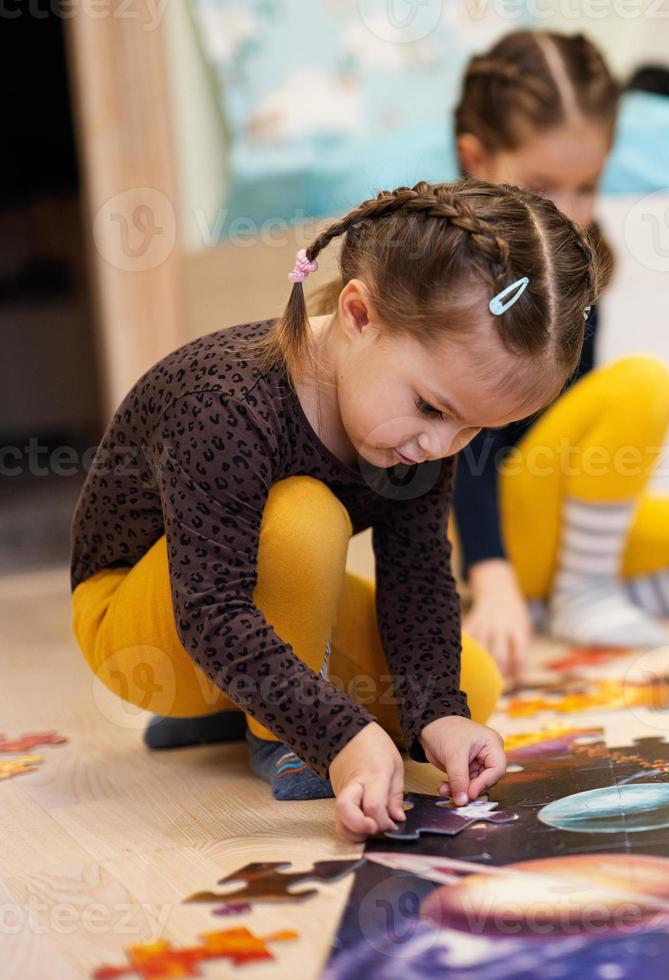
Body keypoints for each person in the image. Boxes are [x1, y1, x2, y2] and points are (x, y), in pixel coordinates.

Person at [70, 179, 602, 839]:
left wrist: (440, 712)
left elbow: (417, 574)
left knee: (471, 691)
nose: (440, 446)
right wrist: (338, 734)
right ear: (358, 315)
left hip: (236, 621)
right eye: (433, 409)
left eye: (473, 431)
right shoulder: (224, 403)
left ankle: (234, 709)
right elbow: (210, 610)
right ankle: (276, 735)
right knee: (305, 517)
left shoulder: (424, 433)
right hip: (141, 626)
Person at [452, 30, 669, 676]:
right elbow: (462, 447)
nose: (568, 213)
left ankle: (563, 600)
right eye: (542, 187)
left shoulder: (579, 272)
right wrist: (491, 574)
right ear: (477, 161)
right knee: (645, 383)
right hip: (492, 527)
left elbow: (580, 423)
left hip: (560, 532)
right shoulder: (459, 277)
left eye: (587, 187)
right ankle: (576, 595)